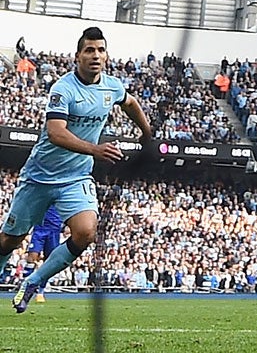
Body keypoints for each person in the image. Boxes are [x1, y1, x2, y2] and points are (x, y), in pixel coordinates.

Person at [2, 28, 152, 312]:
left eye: (100, 50)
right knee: (10, 241)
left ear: (106, 56)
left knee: (85, 233)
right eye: (89, 50)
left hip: (76, 178)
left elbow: (130, 103)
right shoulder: (64, 89)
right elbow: (56, 133)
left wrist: (147, 133)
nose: (96, 55)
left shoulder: (112, 87)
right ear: (78, 56)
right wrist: (96, 150)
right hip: (39, 176)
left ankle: (33, 281)